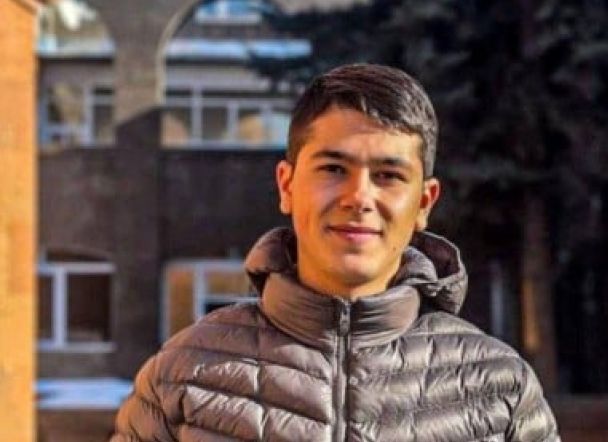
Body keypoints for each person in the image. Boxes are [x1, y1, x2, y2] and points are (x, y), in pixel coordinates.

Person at [111, 63, 560, 442]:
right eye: (333, 168)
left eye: (388, 175)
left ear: (424, 203)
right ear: (287, 185)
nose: (358, 197)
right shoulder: (182, 376)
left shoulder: (499, 389)